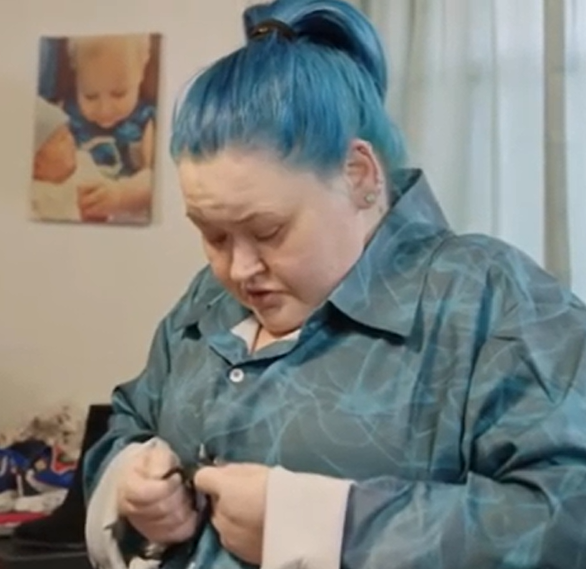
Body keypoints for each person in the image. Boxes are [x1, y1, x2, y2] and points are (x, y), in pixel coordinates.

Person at [83, 1, 586, 568]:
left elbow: (569, 515)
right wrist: (132, 488)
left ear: (359, 174)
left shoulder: (492, 302)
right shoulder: (207, 300)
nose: (239, 269)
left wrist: (328, 526)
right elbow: (129, 420)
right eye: (213, 235)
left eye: (268, 231)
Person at [64, 34, 155, 223]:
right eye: (90, 95)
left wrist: (121, 196)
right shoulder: (65, 118)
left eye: (119, 94)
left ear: (142, 72)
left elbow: (156, 179)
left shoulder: (147, 122)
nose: (105, 110)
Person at [30, 97, 104, 222]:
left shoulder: (83, 163)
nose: (71, 140)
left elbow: (107, 194)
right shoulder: (33, 197)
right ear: (36, 164)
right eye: (62, 139)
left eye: (69, 133)